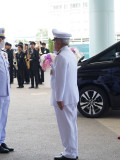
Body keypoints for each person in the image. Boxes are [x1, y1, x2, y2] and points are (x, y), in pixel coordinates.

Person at [50, 29, 79, 160]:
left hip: (64, 98)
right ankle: (72, 151)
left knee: (66, 127)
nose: (54, 44)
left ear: (60, 43)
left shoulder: (61, 57)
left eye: (55, 41)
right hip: (71, 96)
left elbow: (60, 80)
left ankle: (70, 153)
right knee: (71, 125)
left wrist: (59, 98)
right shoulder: (70, 54)